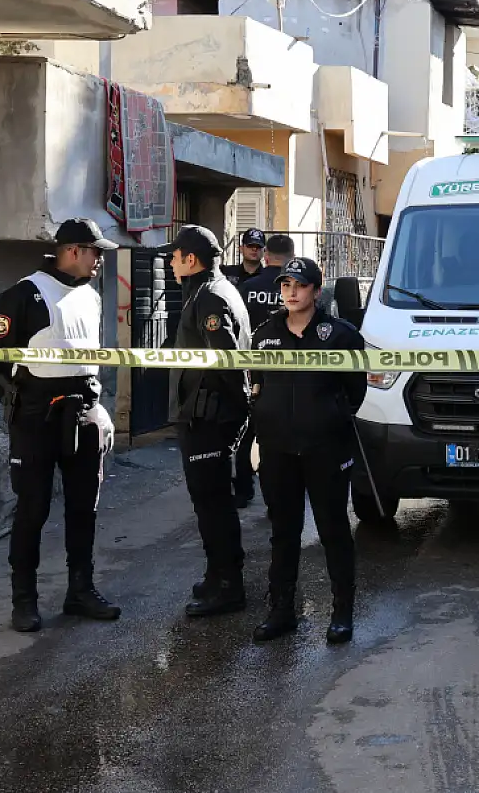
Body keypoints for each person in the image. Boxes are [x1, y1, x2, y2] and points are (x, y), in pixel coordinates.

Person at [0, 218, 122, 633]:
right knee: (33, 509)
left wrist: (101, 409)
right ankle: (23, 600)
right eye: (96, 252)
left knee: (84, 508)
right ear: (74, 251)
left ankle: (80, 590)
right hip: (36, 419)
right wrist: (14, 401)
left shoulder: (91, 296)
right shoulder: (24, 295)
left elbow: (91, 359)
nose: (100, 260)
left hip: (83, 414)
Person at [248, 257, 367, 644]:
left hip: (326, 449)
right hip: (278, 449)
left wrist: (330, 417)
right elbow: (257, 383)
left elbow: (355, 391)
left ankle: (342, 611)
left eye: (300, 285)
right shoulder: (265, 334)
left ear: (316, 291)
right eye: (286, 285)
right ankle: (282, 610)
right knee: (284, 532)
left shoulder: (342, 335)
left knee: (334, 530)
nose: (292, 292)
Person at [166, 224, 254, 618]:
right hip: (203, 414)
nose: (169, 262)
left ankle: (229, 586)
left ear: (191, 259)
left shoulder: (211, 297)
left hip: (210, 417)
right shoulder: (207, 291)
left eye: (174, 256)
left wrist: (236, 412)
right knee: (207, 503)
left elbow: (228, 363)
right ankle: (217, 573)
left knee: (214, 504)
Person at [231, 232, 295, 508]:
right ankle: (278, 496)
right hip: (289, 375)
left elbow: (236, 329)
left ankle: (244, 490)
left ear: (266, 256)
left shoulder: (247, 288)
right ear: (291, 259)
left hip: (252, 371)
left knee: (246, 434)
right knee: (280, 438)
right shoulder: (296, 290)